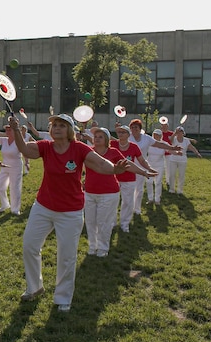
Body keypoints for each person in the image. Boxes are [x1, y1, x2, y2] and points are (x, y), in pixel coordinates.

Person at [8, 114, 129, 312]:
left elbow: (99, 163)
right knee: (29, 245)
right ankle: (34, 287)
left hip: (70, 211)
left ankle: (63, 298)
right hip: (43, 206)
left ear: (70, 130)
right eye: (54, 125)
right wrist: (16, 130)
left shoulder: (79, 148)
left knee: (66, 256)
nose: (56, 128)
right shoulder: (46, 146)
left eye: (62, 125)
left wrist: (114, 169)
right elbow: (25, 150)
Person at [84, 127, 155, 257]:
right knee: (90, 221)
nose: (97, 138)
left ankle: (103, 248)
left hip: (108, 193)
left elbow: (127, 164)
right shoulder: (89, 152)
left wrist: (144, 172)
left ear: (106, 139)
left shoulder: (113, 152)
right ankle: (92, 246)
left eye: (100, 136)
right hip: (89, 192)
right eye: (95, 136)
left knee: (103, 222)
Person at [111, 125, 157, 233]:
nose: (120, 134)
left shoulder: (134, 146)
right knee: (112, 201)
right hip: (113, 178)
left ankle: (124, 224)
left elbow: (141, 160)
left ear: (128, 135)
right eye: (119, 132)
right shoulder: (112, 144)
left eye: (123, 132)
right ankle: (112, 223)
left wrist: (149, 169)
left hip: (129, 178)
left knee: (128, 202)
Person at [128, 119, 178, 215]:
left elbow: (159, 144)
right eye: (132, 127)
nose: (134, 129)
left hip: (142, 165)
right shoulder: (128, 137)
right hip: (129, 166)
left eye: (136, 127)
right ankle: (128, 208)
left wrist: (172, 148)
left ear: (140, 128)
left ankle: (136, 209)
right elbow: (117, 142)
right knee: (129, 188)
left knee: (139, 189)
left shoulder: (146, 138)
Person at [168, 126, 202, 194]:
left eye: (181, 132)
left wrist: (197, 153)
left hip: (182, 160)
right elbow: (170, 141)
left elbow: (191, 147)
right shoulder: (174, 138)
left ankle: (180, 190)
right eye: (178, 132)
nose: (179, 134)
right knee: (172, 174)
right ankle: (172, 189)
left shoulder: (186, 140)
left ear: (183, 133)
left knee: (181, 175)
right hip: (173, 159)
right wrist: (174, 133)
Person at [145, 129, 166, 205]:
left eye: (158, 135)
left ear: (161, 136)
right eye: (155, 135)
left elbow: (170, 150)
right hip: (149, 165)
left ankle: (157, 199)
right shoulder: (149, 143)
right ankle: (150, 198)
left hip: (159, 165)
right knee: (149, 182)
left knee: (158, 182)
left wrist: (177, 152)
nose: (156, 136)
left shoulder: (164, 144)